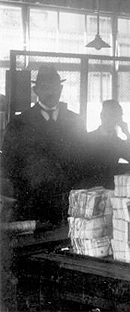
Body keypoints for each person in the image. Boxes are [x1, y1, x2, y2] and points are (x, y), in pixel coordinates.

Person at [1, 65, 87, 224]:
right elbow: (9, 165)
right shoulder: (19, 124)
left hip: (68, 208)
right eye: (45, 87)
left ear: (61, 88)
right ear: (36, 90)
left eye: (54, 87)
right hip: (32, 208)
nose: (51, 91)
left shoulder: (75, 122)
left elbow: (84, 163)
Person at [85, 100, 130, 188]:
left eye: (117, 117)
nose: (114, 120)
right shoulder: (87, 139)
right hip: (90, 189)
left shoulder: (118, 142)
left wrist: (127, 134)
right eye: (112, 115)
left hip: (110, 189)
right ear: (102, 116)